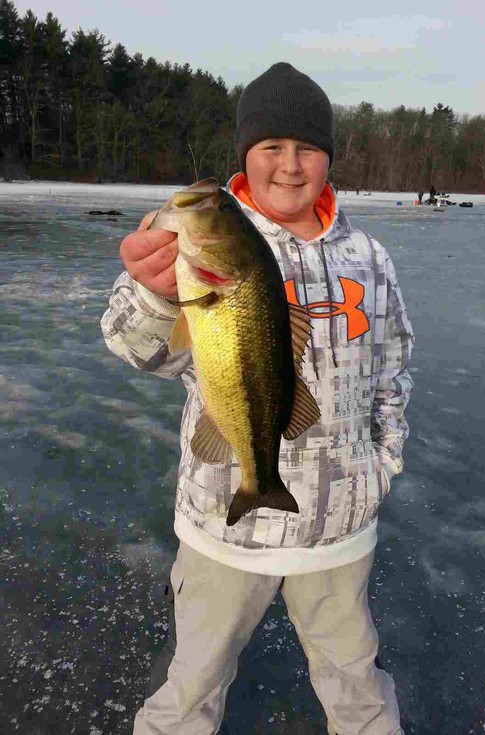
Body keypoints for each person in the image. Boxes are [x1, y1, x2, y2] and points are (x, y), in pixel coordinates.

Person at [101, 61, 414, 735]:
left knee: (358, 688)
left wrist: (380, 466)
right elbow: (139, 350)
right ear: (245, 154)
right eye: (271, 146)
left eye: (307, 148)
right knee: (190, 688)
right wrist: (155, 295)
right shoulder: (193, 249)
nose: (290, 165)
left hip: (337, 532)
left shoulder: (370, 257)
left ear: (329, 158)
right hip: (223, 529)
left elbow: (393, 371)